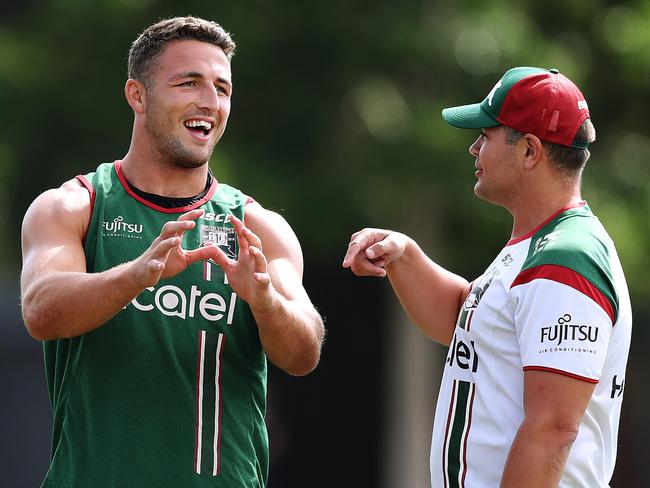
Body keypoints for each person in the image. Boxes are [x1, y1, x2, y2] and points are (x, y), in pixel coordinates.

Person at [20, 16, 325, 487]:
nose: (210, 102)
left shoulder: (259, 226)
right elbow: (40, 311)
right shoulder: (73, 206)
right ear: (137, 95)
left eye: (222, 89)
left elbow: (303, 352)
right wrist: (137, 275)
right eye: (189, 83)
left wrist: (263, 301)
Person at [343, 67, 631, 487]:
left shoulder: (565, 257)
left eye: (487, 134)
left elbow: (552, 431)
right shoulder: (537, 245)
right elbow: (471, 323)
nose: (474, 147)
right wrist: (404, 256)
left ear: (530, 151)